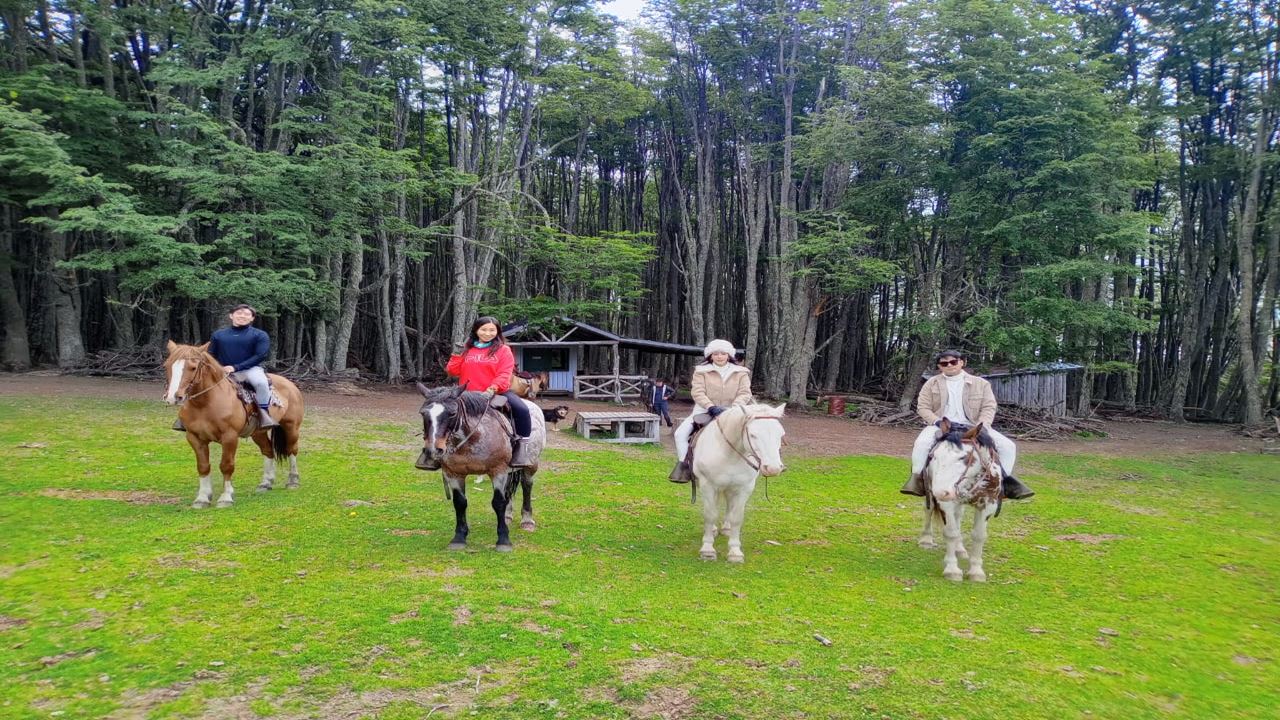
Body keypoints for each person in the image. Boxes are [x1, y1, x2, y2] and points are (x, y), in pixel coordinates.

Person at [900, 349, 1034, 500]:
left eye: (953, 362)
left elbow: (989, 406)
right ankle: (916, 479)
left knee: (1008, 446)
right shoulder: (931, 383)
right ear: (939, 366)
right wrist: (937, 422)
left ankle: (1004, 482)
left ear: (962, 362)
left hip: (973, 425)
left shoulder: (981, 383)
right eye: (944, 363)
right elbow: (923, 407)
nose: (949, 365)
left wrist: (982, 426)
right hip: (942, 424)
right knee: (921, 444)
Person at [173, 303, 278, 432]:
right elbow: (211, 354)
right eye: (239, 313)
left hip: (250, 369)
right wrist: (217, 367)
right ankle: (184, 416)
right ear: (231, 316)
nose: (242, 316)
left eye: (247, 314)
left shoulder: (260, 335)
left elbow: (260, 355)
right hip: (222, 370)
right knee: (196, 382)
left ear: (252, 318)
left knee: (260, 383)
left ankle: (264, 414)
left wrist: (235, 367)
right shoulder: (219, 335)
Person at [445, 316, 533, 468]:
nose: (487, 333)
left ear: (498, 332)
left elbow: (504, 373)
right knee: (440, 413)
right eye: (484, 329)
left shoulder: (503, 350)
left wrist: (492, 388)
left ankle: (521, 448)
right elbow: (452, 371)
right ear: (476, 330)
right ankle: (433, 450)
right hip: (467, 395)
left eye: (492, 330)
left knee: (522, 409)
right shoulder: (467, 349)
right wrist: (456, 355)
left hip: (496, 392)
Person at [669, 339, 753, 483]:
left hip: (733, 410)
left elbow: (745, 393)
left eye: (723, 353)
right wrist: (711, 407)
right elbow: (697, 392)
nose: (720, 356)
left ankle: (766, 461)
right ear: (710, 355)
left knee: (756, 431)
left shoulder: (741, 372)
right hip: (705, 410)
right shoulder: (701, 371)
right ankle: (685, 467)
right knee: (680, 434)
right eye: (716, 353)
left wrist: (734, 407)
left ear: (729, 355)